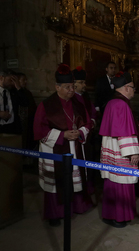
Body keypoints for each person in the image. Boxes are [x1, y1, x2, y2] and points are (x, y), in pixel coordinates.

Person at [33, 64, 93, 227]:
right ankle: (55, 213)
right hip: (55, 149)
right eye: (67, 87)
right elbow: (39, 130)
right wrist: (62, 135)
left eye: (73, 86)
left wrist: (80, 132)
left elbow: (88, 123)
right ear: (57, 87)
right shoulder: (46, 105)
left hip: (74, 148)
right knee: (56, 184)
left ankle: (77, 207)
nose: (71, 90)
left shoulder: (78, 104)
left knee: (75, 179)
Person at [99, 71, 139, 228]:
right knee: (122, 183)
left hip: (112, 148)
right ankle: (120, 217)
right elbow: (124, 130)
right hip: (121, 152)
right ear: (126, 87)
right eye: (133, 87)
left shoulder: (112, 102)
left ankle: (109, 215)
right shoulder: (122, 104)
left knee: (112, 182)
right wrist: (132, 152)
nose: (134, 90)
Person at [73, 66, 97, 194]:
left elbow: (92, 112)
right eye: (81, 82)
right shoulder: (72, 98)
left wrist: (92, 121)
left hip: (89, 136)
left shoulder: (86, 97)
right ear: (74, 84)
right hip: (78, 138)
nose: (84, 85)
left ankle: (89, 186)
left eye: (84, 82)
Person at [0, 69, 28, 134]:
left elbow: (25, 103)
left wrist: (18, 87)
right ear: (1, 78)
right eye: (11, 80)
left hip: (13, 128)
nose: (13, 83)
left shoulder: (14, 91)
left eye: (15, 81)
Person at [17, 72, 37, 150]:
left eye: (26, 80)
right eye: (23, 80)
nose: (25, 82)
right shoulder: (15, 92)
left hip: (30, 119)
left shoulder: (27, 92)